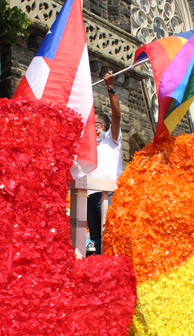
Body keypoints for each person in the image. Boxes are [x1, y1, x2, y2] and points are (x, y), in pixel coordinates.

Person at [87, 71, 122, 254]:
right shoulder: (87, 144)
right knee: (95, 241)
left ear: (104, 127)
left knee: (110, 237)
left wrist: (110, 88)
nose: (93, 127)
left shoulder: (112, 139)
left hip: (108, 195)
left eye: (97, 124)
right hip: (88, 195)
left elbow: (116, 115)